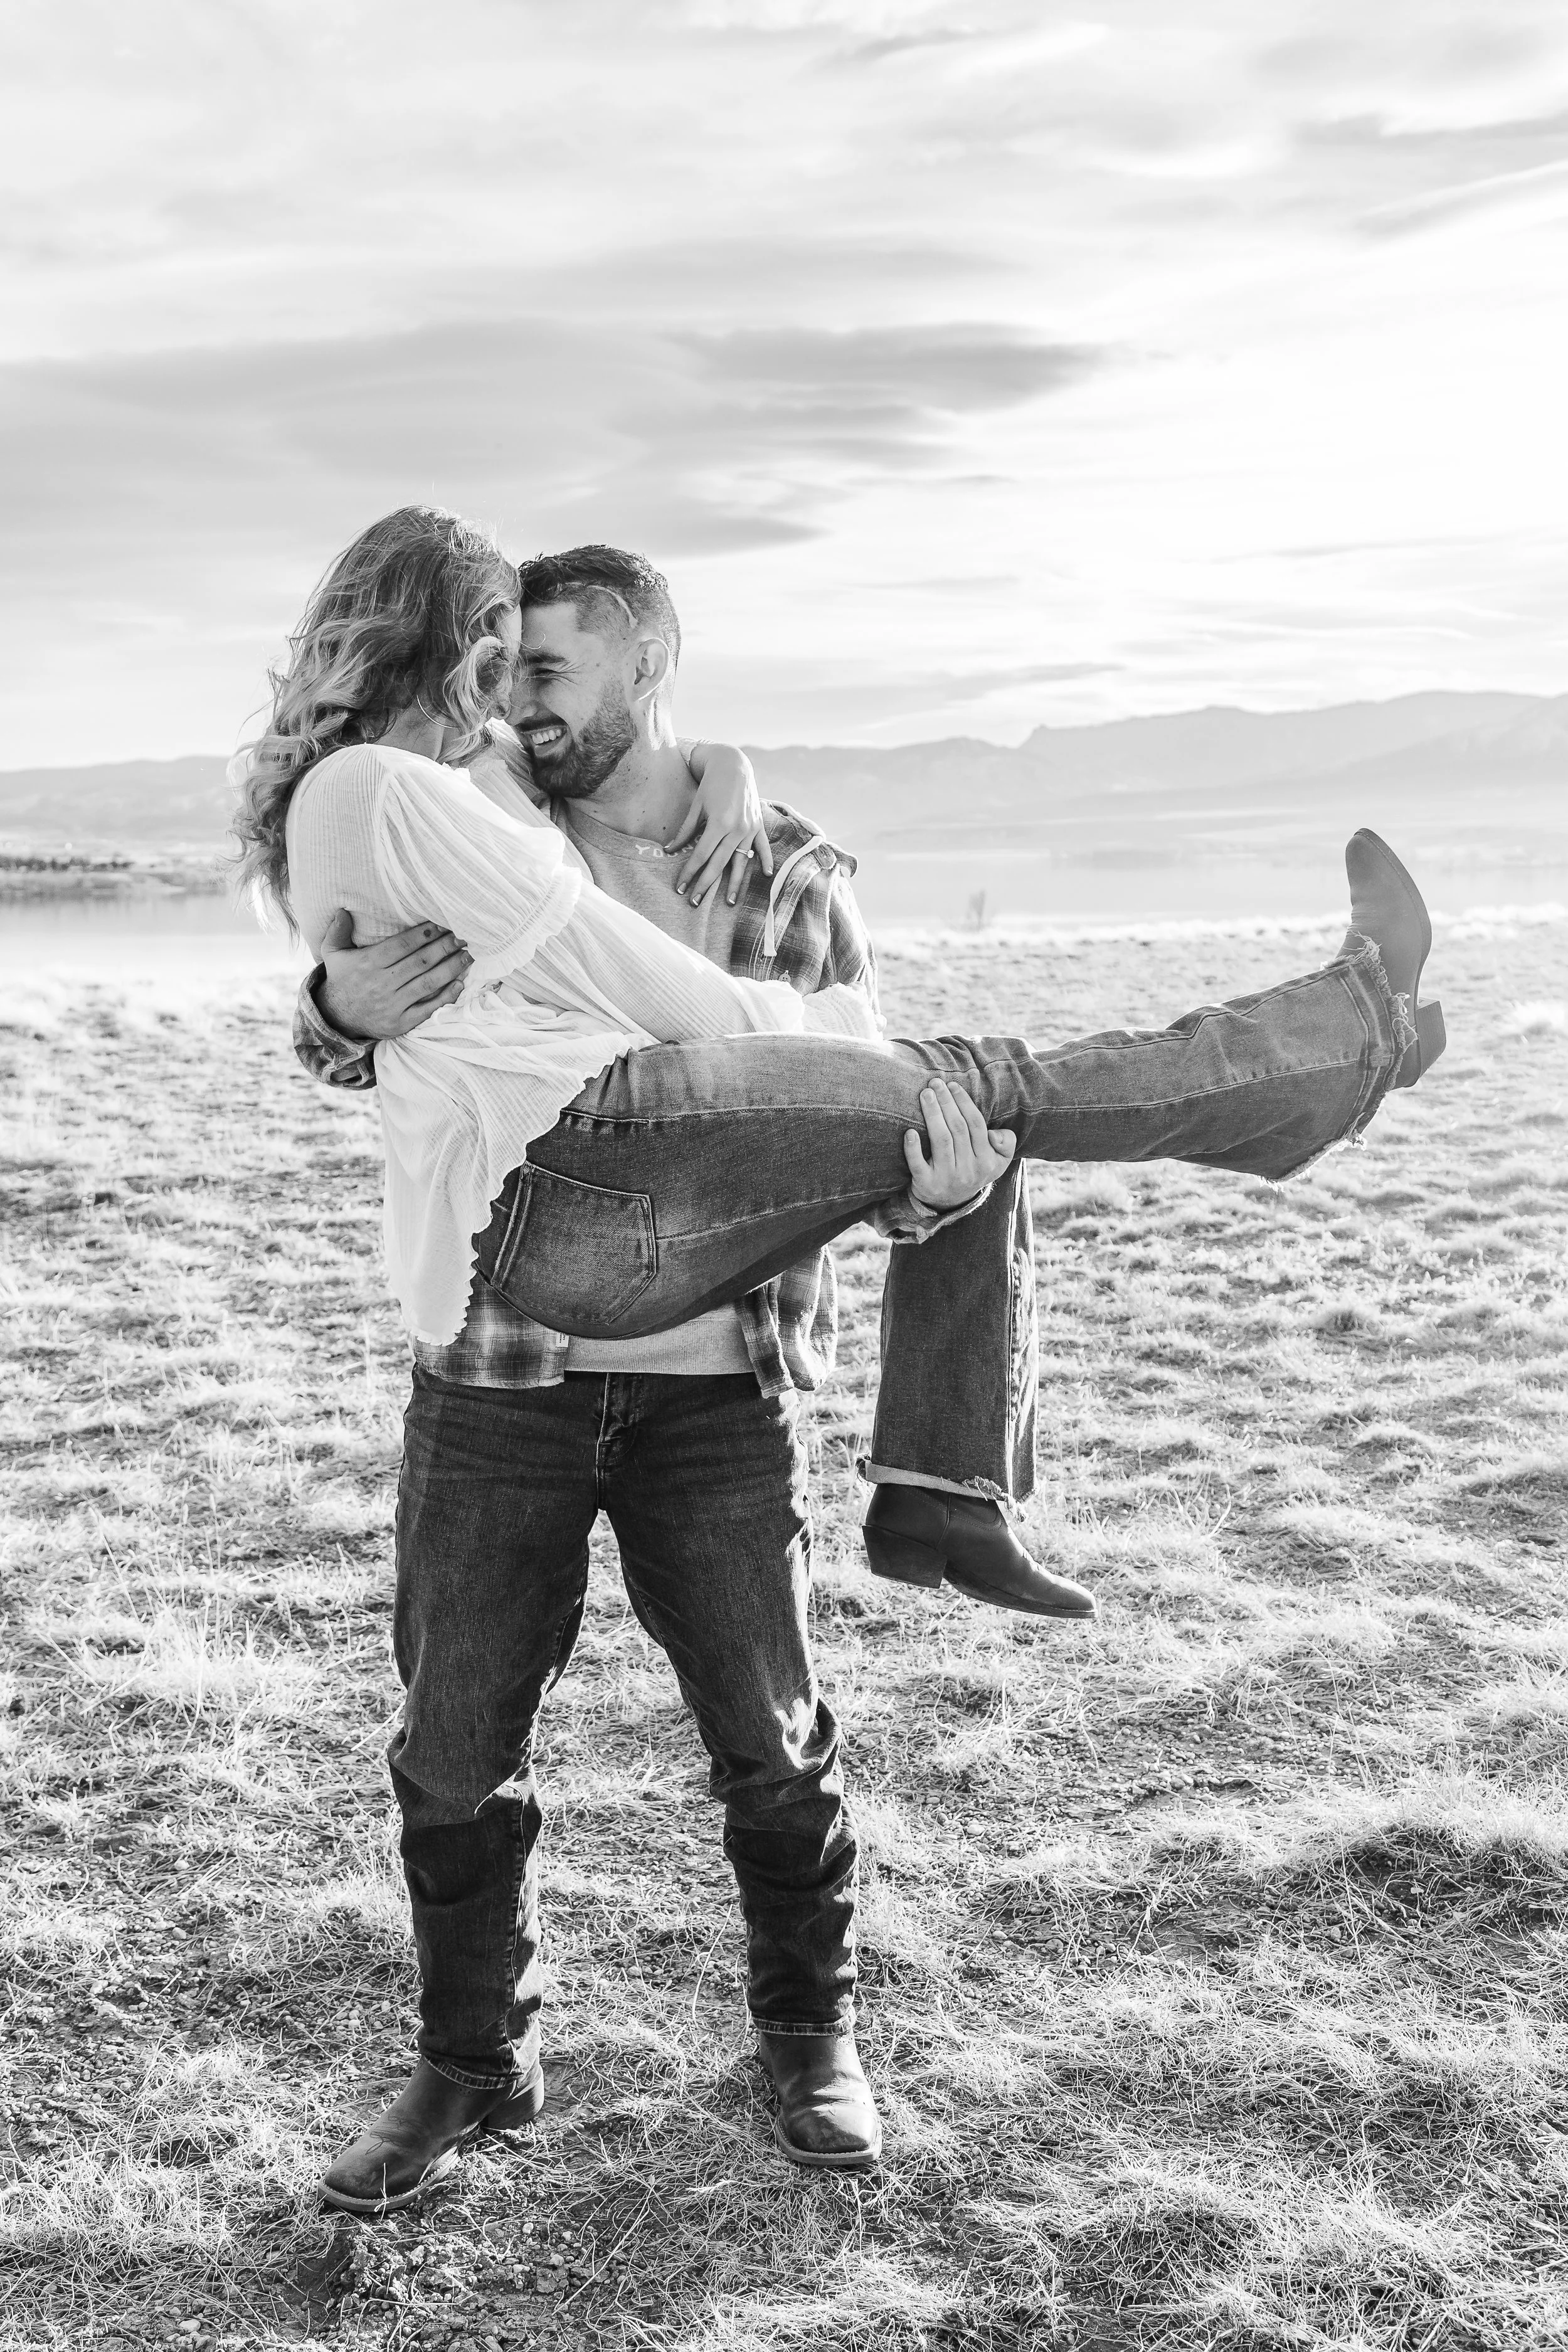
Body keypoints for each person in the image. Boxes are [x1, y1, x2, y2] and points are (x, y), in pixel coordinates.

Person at [233, 505, 1444, 2207]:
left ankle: (812, 2036)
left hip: (714, 1385)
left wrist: (916, 1188)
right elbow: (366, 1002)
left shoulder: (784, 870)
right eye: (501, 671)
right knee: (449, 1746)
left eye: (551, 670)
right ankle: (465, 2065)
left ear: (650, 673)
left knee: (770, 1731)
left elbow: (851, 1125)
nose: (517, 707)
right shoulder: (478, 807)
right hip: (501, 1374)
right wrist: (337, 1013)